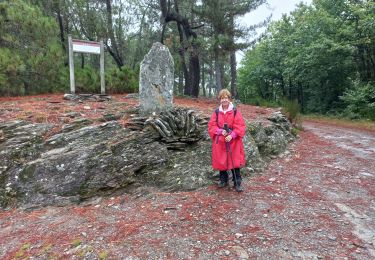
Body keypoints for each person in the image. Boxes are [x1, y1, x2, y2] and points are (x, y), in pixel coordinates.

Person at [208, 89, 246, 192]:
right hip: (220, 141)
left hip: (233, 141)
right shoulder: (216, 112)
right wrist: (220, 131)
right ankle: (223, 180)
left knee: (235, 162)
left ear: (229, 99)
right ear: (220, 99)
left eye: (226, 98)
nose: (224, 100)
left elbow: (240, 126)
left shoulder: (235, 111)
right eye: (222, 98)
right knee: (221, 161)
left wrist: (232, 135)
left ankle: (237, 182)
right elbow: (211, 126)